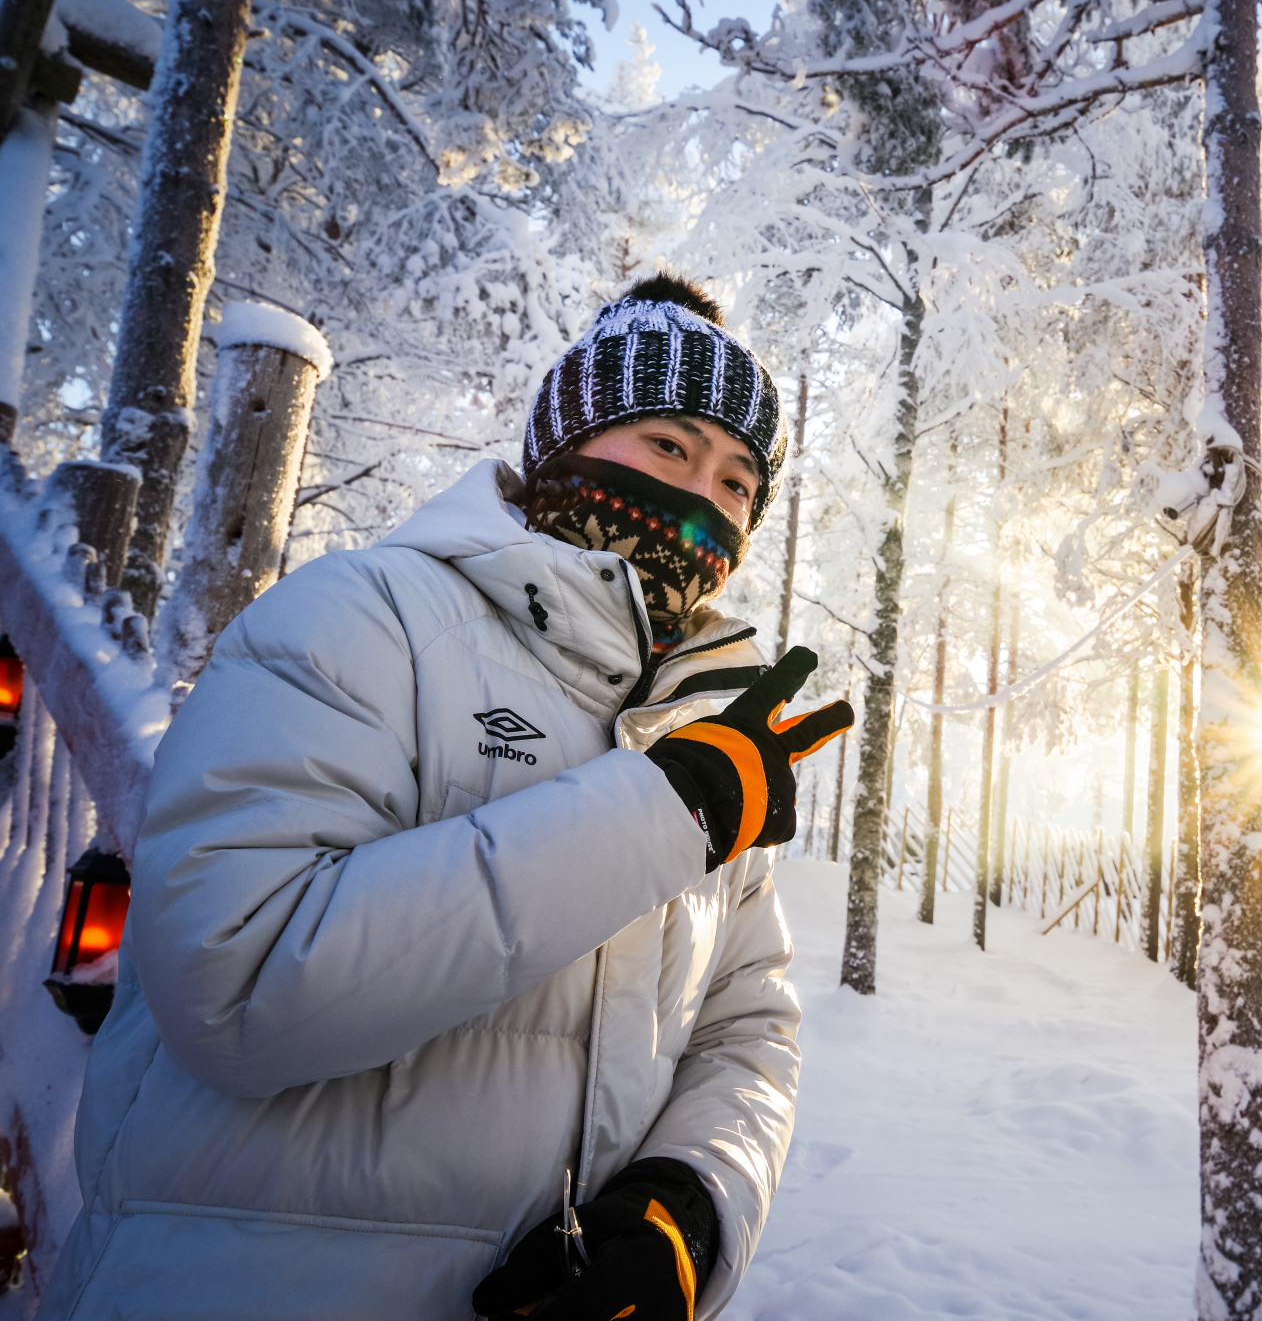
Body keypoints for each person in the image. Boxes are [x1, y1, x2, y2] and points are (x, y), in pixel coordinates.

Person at [45, 275, 850, 1321]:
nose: (703, 496)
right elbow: (230, 981)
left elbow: (748, 1026)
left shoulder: (706, 730)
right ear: (566, 444)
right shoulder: (360, 617)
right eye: (668, 446)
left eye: (740, 480)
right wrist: (661, 813)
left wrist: (689, 1211)